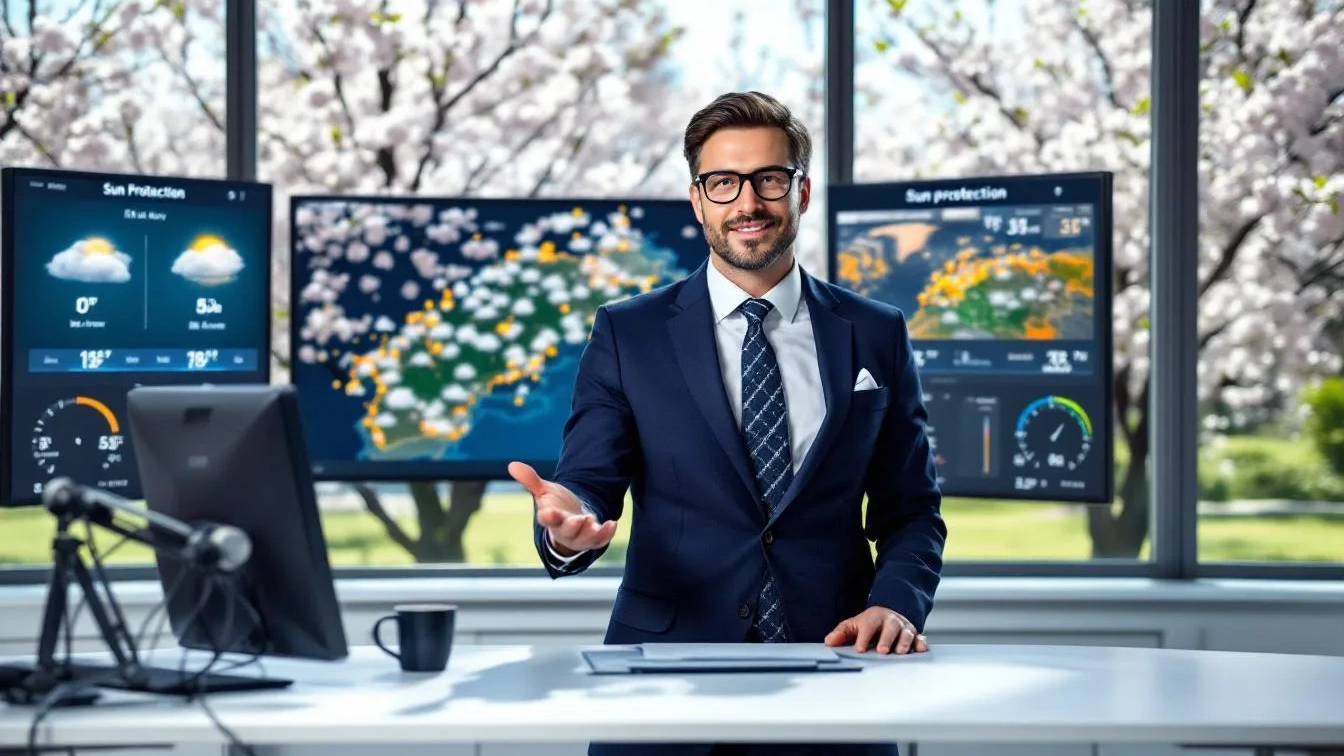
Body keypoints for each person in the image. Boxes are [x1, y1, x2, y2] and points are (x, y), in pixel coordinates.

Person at [508, 91, 947, 756]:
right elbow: (587, 484)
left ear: (801, 192)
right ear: (697, 199)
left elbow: (912, 508)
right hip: (659, 682)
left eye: (770, 179)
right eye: (724, 183)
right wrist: (570, 529)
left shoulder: (875, 333)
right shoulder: (629, 332)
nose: (748, 203)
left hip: (838, 669)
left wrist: (897, 603)